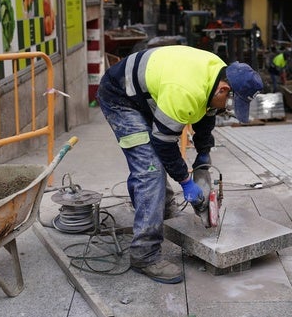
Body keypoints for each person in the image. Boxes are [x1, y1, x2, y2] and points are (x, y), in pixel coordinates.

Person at [96, 45, 263, 283]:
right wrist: (186, 181)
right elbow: (164, 144)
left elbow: (206, 117)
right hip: (120, 98)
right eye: (228, 103)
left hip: (146, 95)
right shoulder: (186, 91)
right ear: (224, 89)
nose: (226, 108)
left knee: (154, 162)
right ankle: (144, 254)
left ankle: (159, 211)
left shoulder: (216, 74)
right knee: (150, 169)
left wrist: (203, 156)